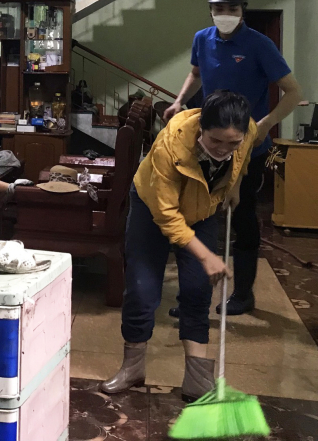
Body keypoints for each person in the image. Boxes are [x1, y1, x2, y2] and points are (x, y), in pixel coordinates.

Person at [101, 91, 258, 399]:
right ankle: (132, 368)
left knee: (198, 291)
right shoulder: (170, 145)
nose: (224, 149)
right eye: (215, 141)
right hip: (153, 209)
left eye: (232, 143)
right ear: (201, 128)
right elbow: (168, 217)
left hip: (202, 210)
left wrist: (236, 185)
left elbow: (246, 153)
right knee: (142, 289)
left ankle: (197, 380)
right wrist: (206, 256)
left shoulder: (247, 130)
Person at [162, 0, 301, 316]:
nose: (225, 14)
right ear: (210, 10)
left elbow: (293, 92)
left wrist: (264, 125)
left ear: (242, 11)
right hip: (208, 145)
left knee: (242, 218)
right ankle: (193, 298)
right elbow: (195, 73)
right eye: (218, 8)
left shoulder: (259, 44)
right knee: (196, 216)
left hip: (247, 148)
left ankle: (243, 294)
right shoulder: (202, 39)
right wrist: (179, 101)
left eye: (232, 9)